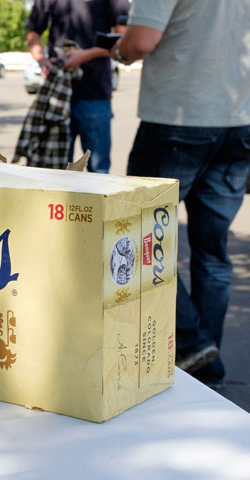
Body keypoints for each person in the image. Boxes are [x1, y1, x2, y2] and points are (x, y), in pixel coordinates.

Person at [112, 0, 250, 388]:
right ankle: (205, 370)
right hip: (238, 122)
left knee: (135, 237)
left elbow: (141, 41)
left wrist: (117, 50)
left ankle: (193, 345)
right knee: (212, 254)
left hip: (177, 119)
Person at [25, 0, 130, 173]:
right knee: (55, 168)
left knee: (98, 169)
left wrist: (86, 55)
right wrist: (41, 60)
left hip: (94, 91)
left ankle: (96, 201)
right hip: (57, 93)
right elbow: (33, 32)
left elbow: (124, 36)